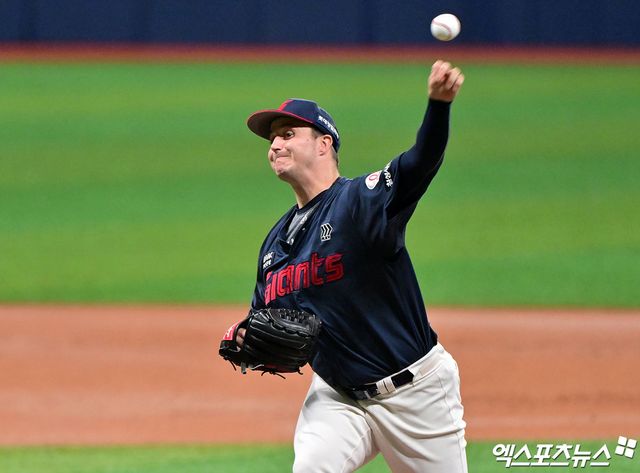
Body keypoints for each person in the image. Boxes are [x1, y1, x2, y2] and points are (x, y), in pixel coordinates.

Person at [241, 60, 466, 472]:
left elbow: (420, 161)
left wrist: (438, 105)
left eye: (288, 134)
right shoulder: (274, 245)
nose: (274, 145)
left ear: (323, 144)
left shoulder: (362, 201)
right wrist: (246, 339)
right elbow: (264, 318)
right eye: (271, 139)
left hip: (417, 394)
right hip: (337, 397)